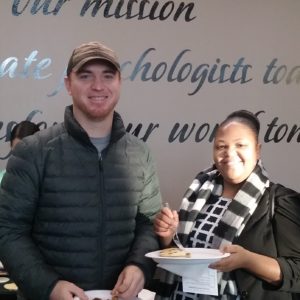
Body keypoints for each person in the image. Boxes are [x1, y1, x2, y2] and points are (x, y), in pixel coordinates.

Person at [0, 41, 162, 300]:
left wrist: (140, 267)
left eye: (107, 76)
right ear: (68, 84)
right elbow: (8, 231)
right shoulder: (33, 152)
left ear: (119, 82)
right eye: (85, 76)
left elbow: (149, 225)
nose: (98, 86)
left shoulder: (140, 153)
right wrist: (49, 287)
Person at [153, 110, 300, 300]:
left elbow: (297, 272)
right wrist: (167, 238)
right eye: (221, 146)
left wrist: (248, 260)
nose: (229, 153)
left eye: (240, 145)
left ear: (257, 150)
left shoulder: (280, 201)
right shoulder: (197, 197)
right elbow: (184, 258)